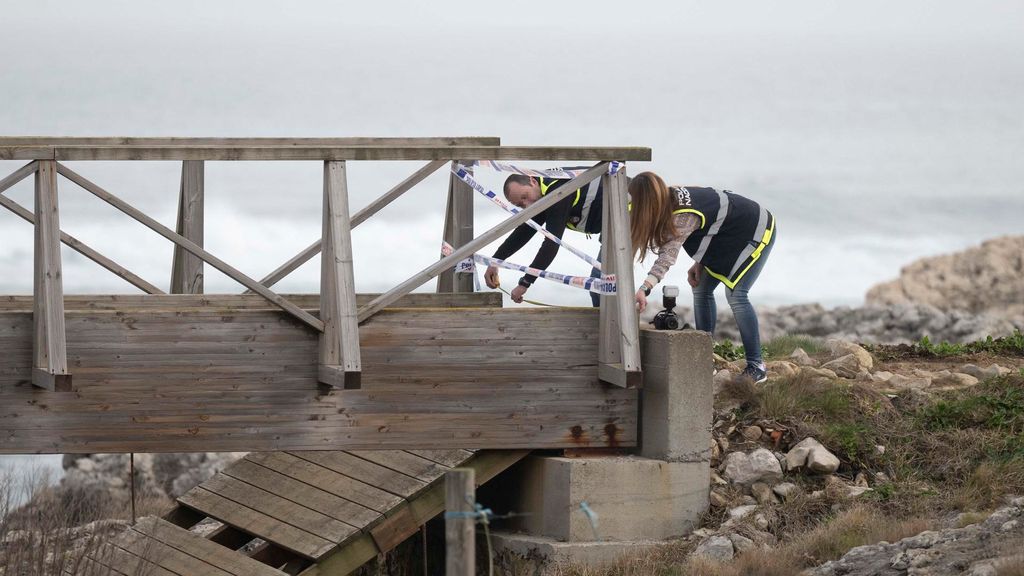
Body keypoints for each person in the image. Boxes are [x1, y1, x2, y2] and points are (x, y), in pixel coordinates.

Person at [629, 171, 776, 383]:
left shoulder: (680, 216)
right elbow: (712, 217)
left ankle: (757, 366)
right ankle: (705, 359)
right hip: (726, 233)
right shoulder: (668, 197)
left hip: (754, 228)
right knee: (701, 288)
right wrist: (701, 260)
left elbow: (667, 257)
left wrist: (645, 288)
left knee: (737, 295)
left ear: (645, 203)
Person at [484, 173, 605, 305]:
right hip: (612, 226)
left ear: (533, 181)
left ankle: (614, 318)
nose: (527, 205)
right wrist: (495, 262)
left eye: (525, 196)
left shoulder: (558, 193)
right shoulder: (540, 194)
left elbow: (551, 245)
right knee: (599, 287)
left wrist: (525, 283)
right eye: (521, 205)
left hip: (621, 218)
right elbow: (524, 232)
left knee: (600, 286)